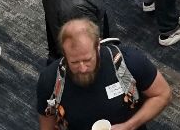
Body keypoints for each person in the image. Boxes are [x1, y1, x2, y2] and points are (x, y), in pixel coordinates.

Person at [33, 20, 169, 130]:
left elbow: (162, 94)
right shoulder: (51, 80)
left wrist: (129, 126)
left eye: (87, 60)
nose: (82, 68)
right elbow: (47, 125)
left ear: (98, 46)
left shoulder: (127, 61)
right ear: (64, 53)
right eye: (74, 62)